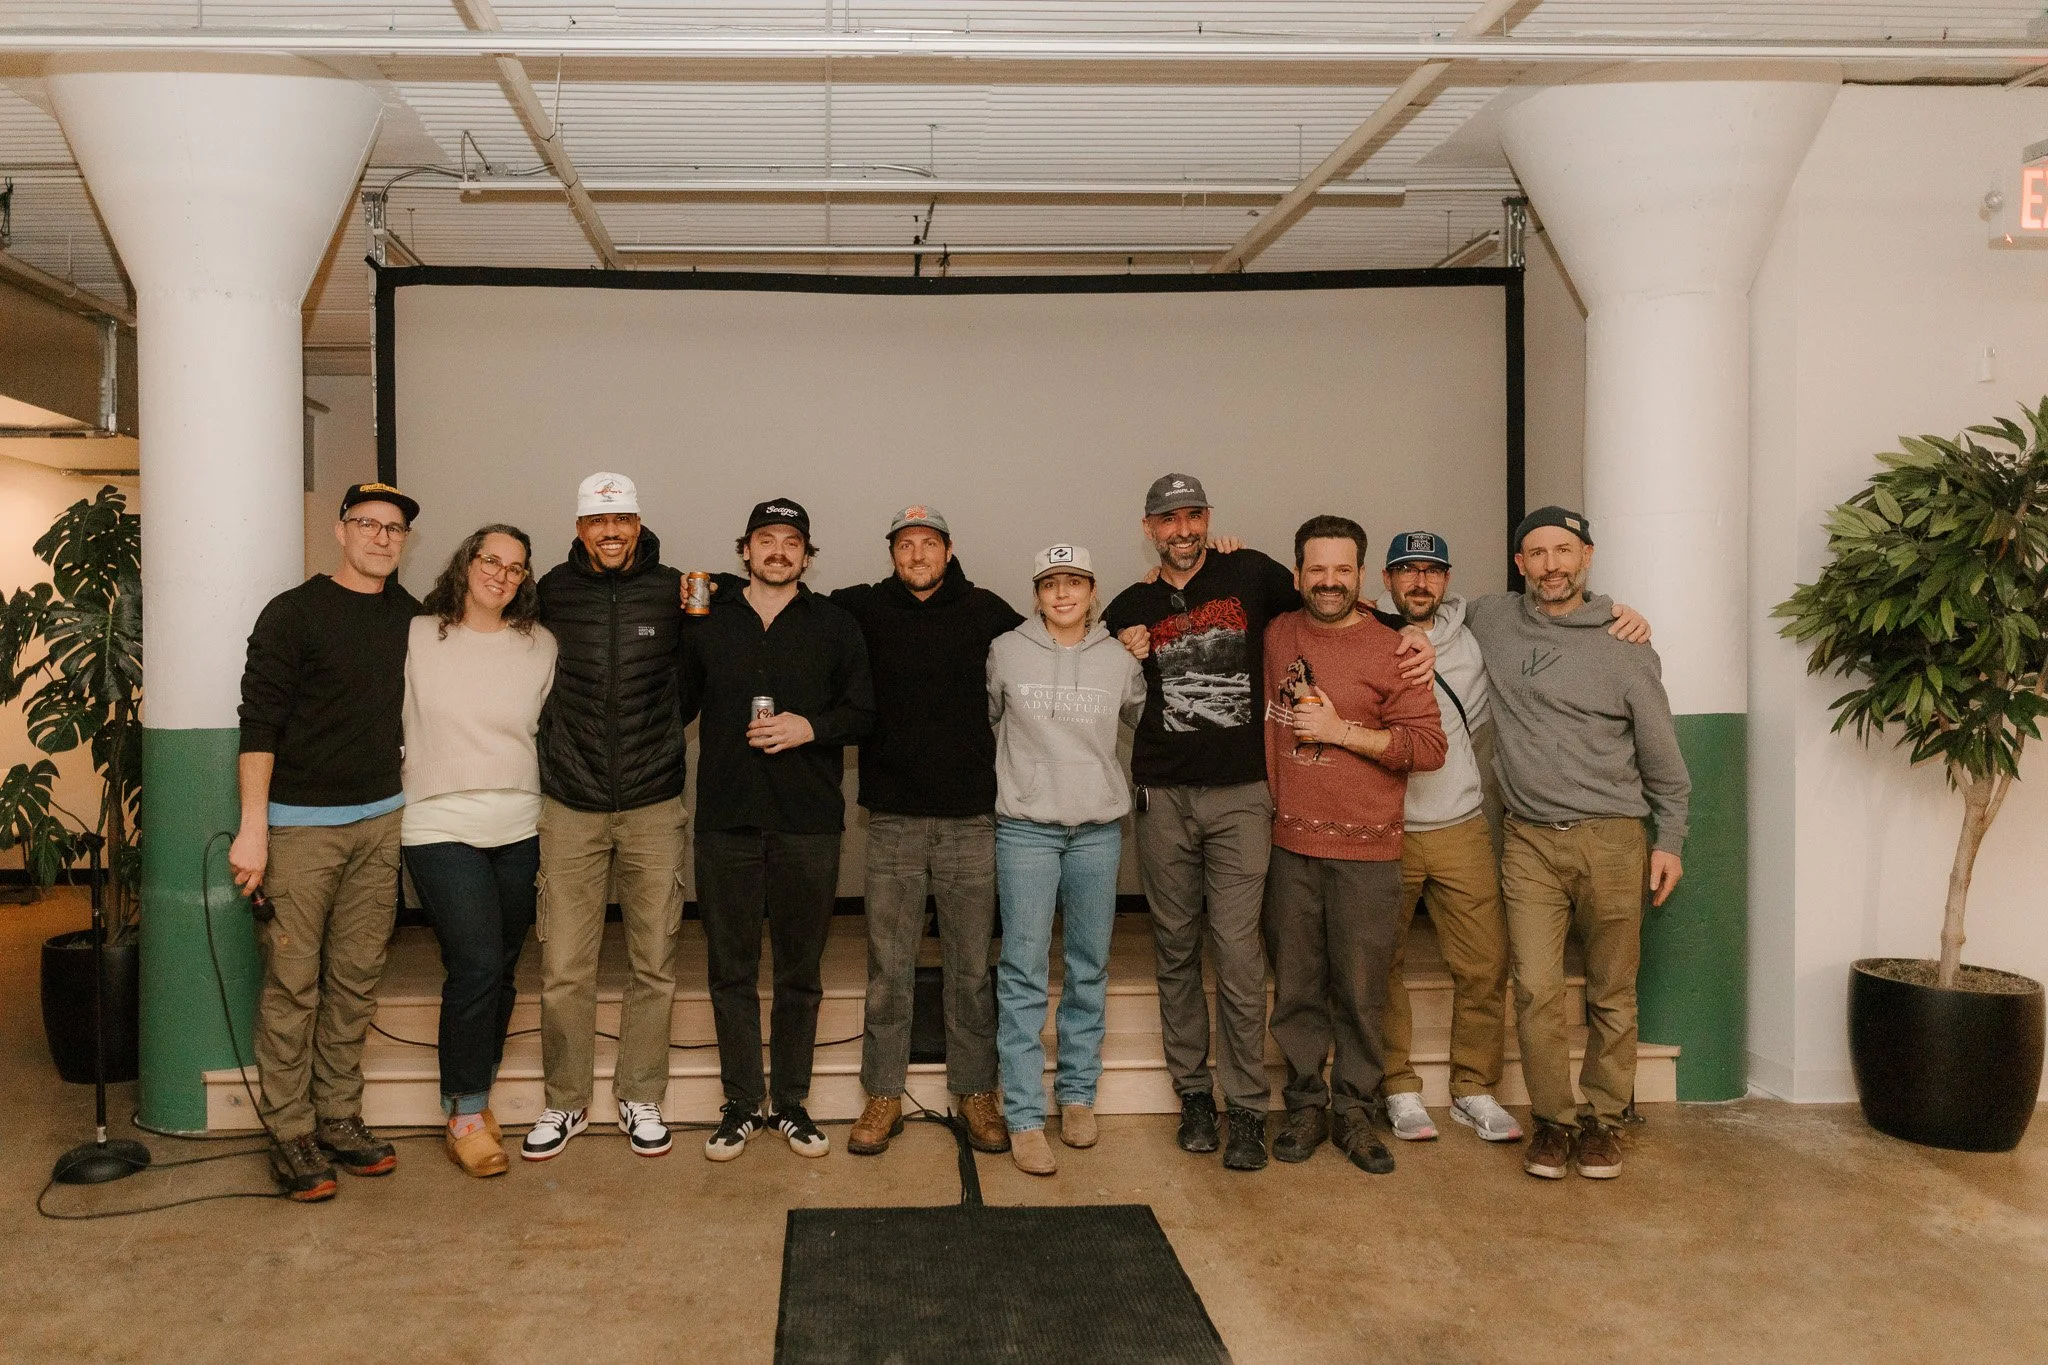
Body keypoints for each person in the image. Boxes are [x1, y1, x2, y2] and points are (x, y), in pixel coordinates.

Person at [1103, 473, 1434, 1170]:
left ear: (1208, 518)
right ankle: (1196, 1096)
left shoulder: (1252, 574)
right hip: (1164, 797)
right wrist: (1124, 644)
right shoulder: (1129, 605)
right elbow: (1091, 661)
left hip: (1243, 797)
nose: (1183, 530)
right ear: (1148, 528)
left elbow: (1334, 606)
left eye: (1193, 516)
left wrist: (1409, 632)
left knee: (1239, 951)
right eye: (1168, 519)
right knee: (1175, 949)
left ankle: (1250, 1106)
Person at [1372, 532, 1652, 1145]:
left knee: (1485, 963)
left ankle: (1473, 1086)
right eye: (1406, 571)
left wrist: (1618, 610)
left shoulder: (1480, 630)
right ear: (1385, 580)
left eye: (1431, 571)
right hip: (1385, 828)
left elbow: (1563, 609)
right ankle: (1397, 1085)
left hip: (1461, 824)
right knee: (1381, 962)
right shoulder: (1364, 634)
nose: (1419, 582)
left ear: (1448, 580)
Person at [1464, 506, 1690, 1181]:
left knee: (1611, 992)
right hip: (1529, 840)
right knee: (1535, 988)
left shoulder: (1626, 644)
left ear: (1586, 556)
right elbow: (1420, 605)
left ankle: (1604, 1119)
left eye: (1564, 551)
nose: (1551, 565)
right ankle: (1554, 1122)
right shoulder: (1492, 619)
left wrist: (1670, 839)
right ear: (1519, 564)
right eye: (1537, 553)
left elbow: (1663, 760)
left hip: (1614, 839)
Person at [230, 481, 421, 1201]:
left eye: (394, 528)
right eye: (368, 523)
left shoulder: (410, 617)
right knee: (292, 982)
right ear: (341, 531)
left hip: (381, 823)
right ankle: (290, 1131)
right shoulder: (294, 613)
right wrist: (253, 829)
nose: (382, 537)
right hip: (299, 826)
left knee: (356, 976)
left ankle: (338, 1115)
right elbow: (259, 723)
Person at [828, 506, 1022, 1158]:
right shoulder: (862, 607)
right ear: (892, 553)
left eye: (928, 543)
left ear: (949, 549)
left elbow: (1051, 643)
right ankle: (884, 1093)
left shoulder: (987, 611)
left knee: (970, 969)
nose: (917, 554)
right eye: (905, 544)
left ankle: (976, 1090)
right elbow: (789, 600)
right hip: (892, 820)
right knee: (889, 968)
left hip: (970, 818)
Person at [687, 499, 875, 1163]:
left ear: (807, 555)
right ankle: (742, 1105)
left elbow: (863, 713)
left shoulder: (835, 625)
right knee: (730, 971)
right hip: (726, 820)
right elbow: (673, 700)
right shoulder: (706, 620)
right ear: (744, 550)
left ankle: (791, 1102)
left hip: (808, 825)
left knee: (800, 972)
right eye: (765, 539)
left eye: (791, 541)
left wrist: (809, 726)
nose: (777, 550)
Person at [1261, 516, 1448, 1176]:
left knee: (1363, 991)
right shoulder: (1276, 634)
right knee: (1297, 989)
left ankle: (1356, 1110)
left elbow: (1430, 747)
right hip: (1289, 845)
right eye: (1317, 568)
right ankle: (1306, 1104)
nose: (1329, 581)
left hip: (1369, 852)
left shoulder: (1395, 649)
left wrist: (1342, 731)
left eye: (1343, 569)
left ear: (1362, 575)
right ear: (1297, 574)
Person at [521, 472, 689, 1162]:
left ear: (638, 523)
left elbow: (698, 673)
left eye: (621, 520)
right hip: (571, 802)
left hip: (654, 801)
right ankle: (565, 1101)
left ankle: (640, 1093)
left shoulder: (674, 590)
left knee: (654, 963)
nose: (611, 532)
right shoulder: (551, 591)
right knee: (565, 965)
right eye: (598, 521)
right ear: (581, 528)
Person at [401, 524, 556, 1178]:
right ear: (466, 563)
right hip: (438, 823)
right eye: (491, 560)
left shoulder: (540, 644)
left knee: (504, 967)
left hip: (519, 823)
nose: (501, 574)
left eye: (516, 567)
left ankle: (476, 1091)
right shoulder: (416, 634)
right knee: (476, 963)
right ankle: (464, 1113)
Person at [987, 544, 1146, 1177]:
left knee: (1088, 967)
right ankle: (1025, 1115)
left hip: (1098, 832)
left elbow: (1143, 720)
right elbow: (987, 720)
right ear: (1036, 593)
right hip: (1026, 830)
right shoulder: (1006, 651)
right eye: (1050, 583)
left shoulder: (1119, 659)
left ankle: (1077, 1096)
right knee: (1023, 971)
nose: (1062, 594)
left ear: (1092, 590)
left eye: (1074, 582)